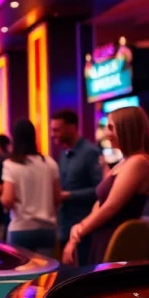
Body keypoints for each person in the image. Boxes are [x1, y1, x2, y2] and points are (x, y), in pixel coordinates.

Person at [63, 107, 149, 265]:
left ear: (126, 129)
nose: (106, 132)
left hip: (116, 239)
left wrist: (79, 231)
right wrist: (79, 228)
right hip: (104, 235)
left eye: (111, 127)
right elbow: (100, 203)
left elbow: (110, 207)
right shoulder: (126, 161)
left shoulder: (138, 161)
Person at [1, 119, 60, 255]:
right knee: (46, 274)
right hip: (47, 229)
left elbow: (7, 200)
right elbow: (57, 198)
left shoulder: (11, 164)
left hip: (21, 228)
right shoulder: (49, 162)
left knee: (23, 274)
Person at [50, 109, 102, 264]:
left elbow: (99, 191)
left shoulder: (90, 152)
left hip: (83, 228)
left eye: (56, 130)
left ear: (71, 127)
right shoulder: (64, 153)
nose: (53, 135)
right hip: (65, 226)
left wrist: (69, 195)